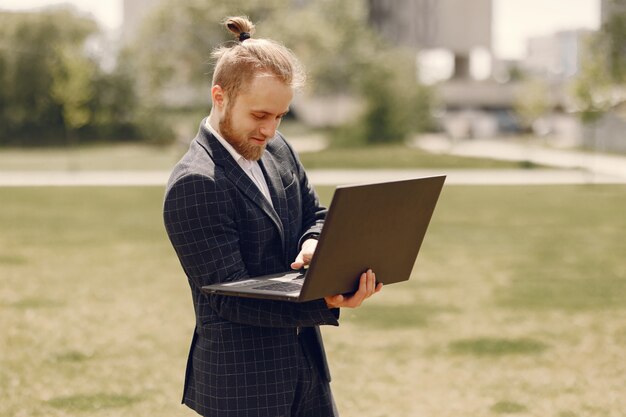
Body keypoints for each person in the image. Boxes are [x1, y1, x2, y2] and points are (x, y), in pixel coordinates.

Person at [163, 16, 382, 417]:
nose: (270, 129)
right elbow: (230, 299)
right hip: (242, 388)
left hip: (307, 371)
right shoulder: (195, 183)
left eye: (280, 116)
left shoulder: (278, 148)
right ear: (220, 97)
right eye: (260, 115)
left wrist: (314, 243)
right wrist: (328, 302)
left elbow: (315, 214)